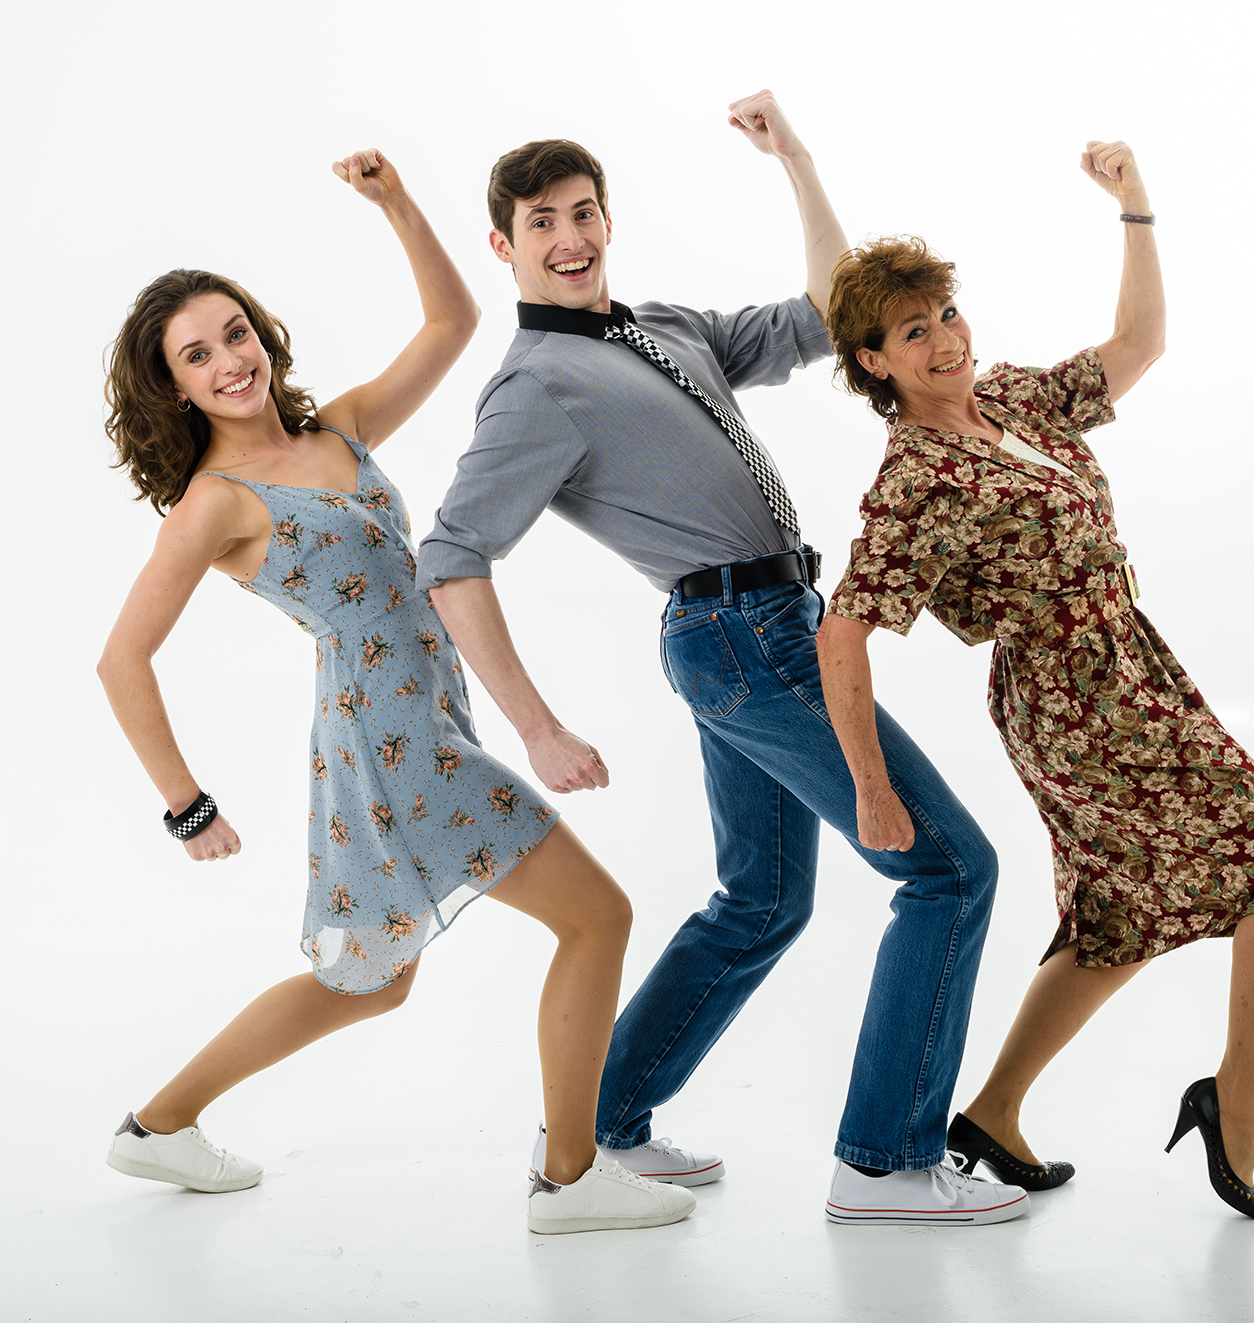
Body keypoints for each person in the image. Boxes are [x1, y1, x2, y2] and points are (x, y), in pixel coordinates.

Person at [418, 92, 1026, 1226]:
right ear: (503, 246)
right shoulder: (535, 387)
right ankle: (886, 1165)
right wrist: (537, 728)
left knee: (761, 899)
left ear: (609, 220)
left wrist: (797, 159)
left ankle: (598, 1128)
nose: (569, 237)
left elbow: (822, 309)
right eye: (541, 221)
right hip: (744, 640)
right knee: (948, 870)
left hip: (757, 632)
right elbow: (451, 560)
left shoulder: (662, 327)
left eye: (584, 211)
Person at [95, 149, 693, 1235]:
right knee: (598, 915)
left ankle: (158, 1127)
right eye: (198, 355)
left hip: (416, 723)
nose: (229, 361)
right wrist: (186, 804)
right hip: (396, 744)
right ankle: (569, 1180)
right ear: (173, 386)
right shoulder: (212, 505)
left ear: (260, 335)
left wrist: (397, 206)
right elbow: (120, 660)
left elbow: (452, 325)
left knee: (372, 981)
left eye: (235, 334)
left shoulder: (339, 431)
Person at [816, 140, 1254, 1220]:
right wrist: (870, 785)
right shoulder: (916, 477)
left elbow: (1140, 343)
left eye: (946, 314)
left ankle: (993, 1115)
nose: (943, 340)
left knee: (1117, 916)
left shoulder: (1014, 402)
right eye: (912, 332)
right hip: (1071, 700)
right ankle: (1235, 1095)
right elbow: (844, 631)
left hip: (1131, 661)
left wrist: (1136, 207)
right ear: (875, 362)